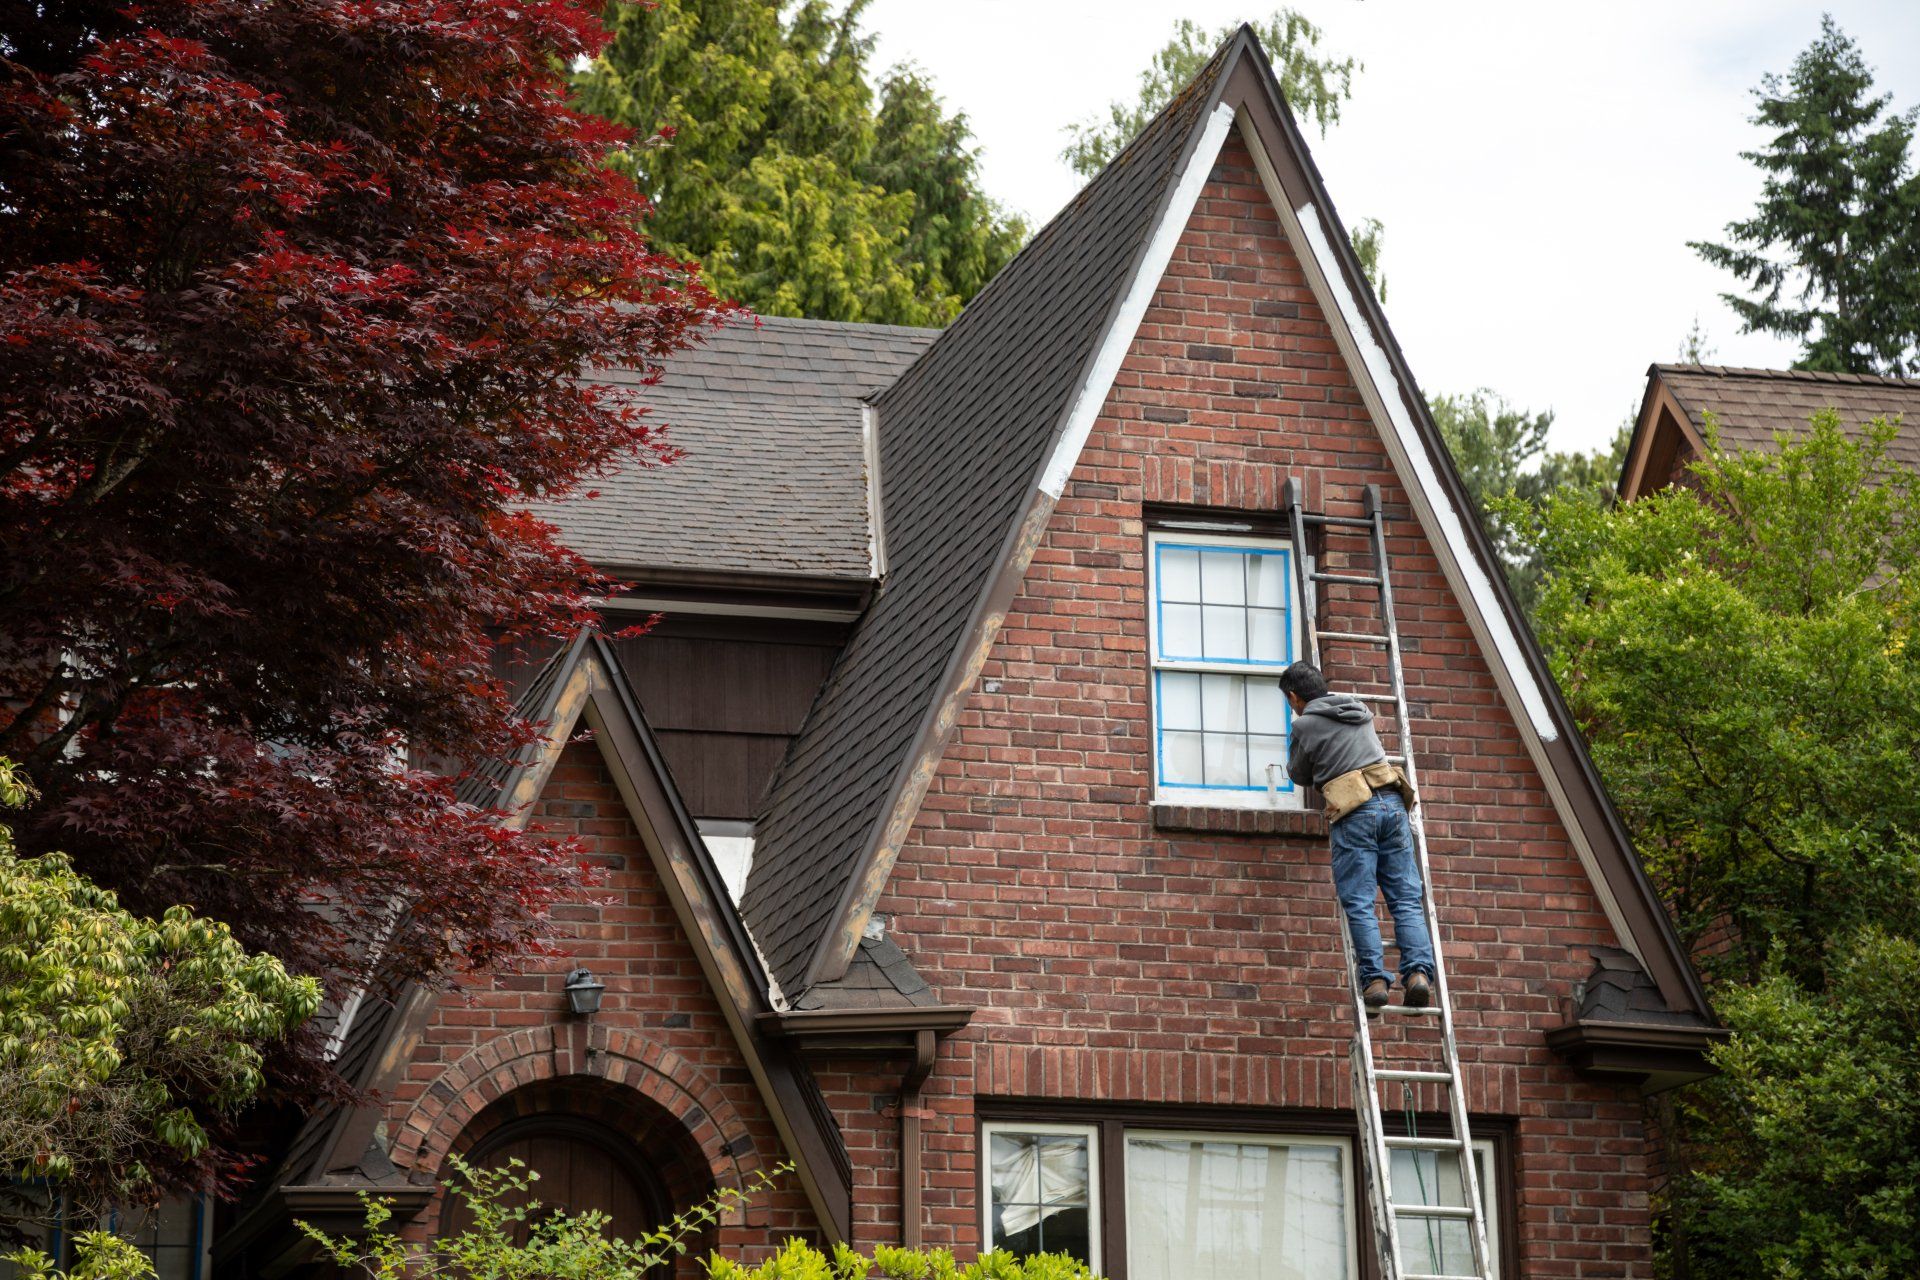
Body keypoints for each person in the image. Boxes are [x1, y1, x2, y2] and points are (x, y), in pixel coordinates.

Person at [1280, 659, 1435, 1009]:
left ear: (1294, 697)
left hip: (1355, 810)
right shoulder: (1357, 707)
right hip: (1393, 802)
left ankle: (1376, 982)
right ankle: (1418, 975)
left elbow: (1298, 773)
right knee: (1406, 899)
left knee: (1360, 902)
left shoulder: (1304, 725)